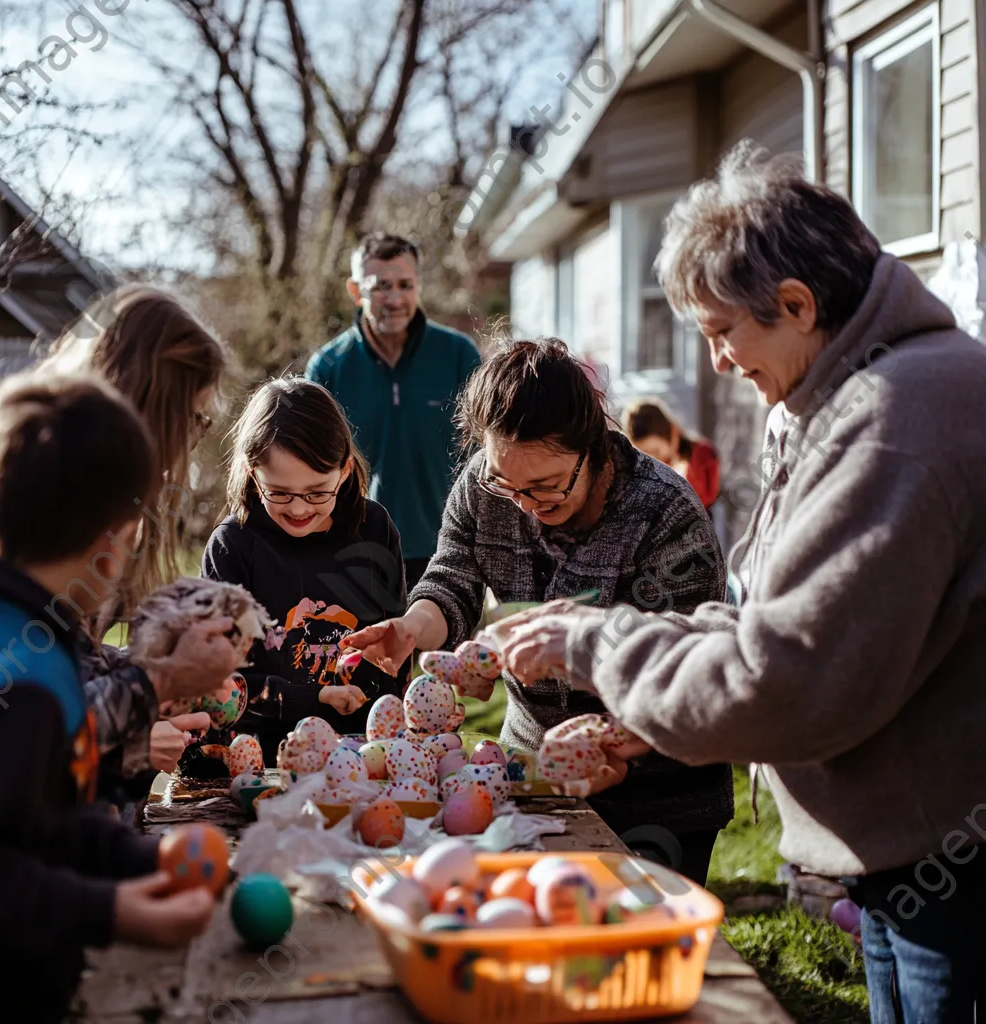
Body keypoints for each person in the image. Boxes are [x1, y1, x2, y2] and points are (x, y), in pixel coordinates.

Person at [488, 142, 986, 1022]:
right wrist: (648, 699)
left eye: (723, 333)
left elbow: (787, 675)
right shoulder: (839, 399)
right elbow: (761, 617)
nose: (717, 363)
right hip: (905, 854)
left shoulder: (896, 420)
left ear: (796, 305)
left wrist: (596, 645)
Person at [344, 338, 734, 885]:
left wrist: (617, 742)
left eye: (546, 488)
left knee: (631, 948)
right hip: (529, 776)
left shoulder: (666, 515)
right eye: (508, 484)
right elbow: (453, 577)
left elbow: (693, 670)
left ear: (593, 448)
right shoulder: (486, 487)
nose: (524, 504)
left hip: (660, 797)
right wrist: (414, 628)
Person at [0, 373, 216, 1022]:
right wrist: (112, 911)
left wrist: (140, 857)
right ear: (113, 550)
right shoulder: (27, 686)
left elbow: (43, 818)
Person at [33, 286, 239, 806]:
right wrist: (150, 693)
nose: (192, 442)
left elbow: (67, 660)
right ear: (152, 413)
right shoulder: (46, 512)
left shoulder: (96, 504)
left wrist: (158, 673)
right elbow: (16, 723)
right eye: (193, 420)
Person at [201, 378, 407, 765]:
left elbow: (394, 645)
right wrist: (311, 698)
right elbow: (221, 686)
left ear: (345, 470)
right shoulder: (233, 548)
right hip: (264, 761)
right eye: (278, 492)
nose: (298, 510)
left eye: (316, 493)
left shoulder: (375, 529)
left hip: (364, 755)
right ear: (251, 472)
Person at [305, 232, 481, 593]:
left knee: (445, 653)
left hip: (450, 550)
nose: (396, 298)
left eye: (405, 284)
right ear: (356, 291)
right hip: (355, 551)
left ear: (419, 285)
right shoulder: (328, 368)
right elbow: (311, 468)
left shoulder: (459, 356)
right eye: (381, 286)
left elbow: (486, 455)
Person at [622, 397, 720, 510]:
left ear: (672, 433)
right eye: (646, 455)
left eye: (655, 451)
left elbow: (705, 498)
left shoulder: (702, 456)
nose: (653, 458)